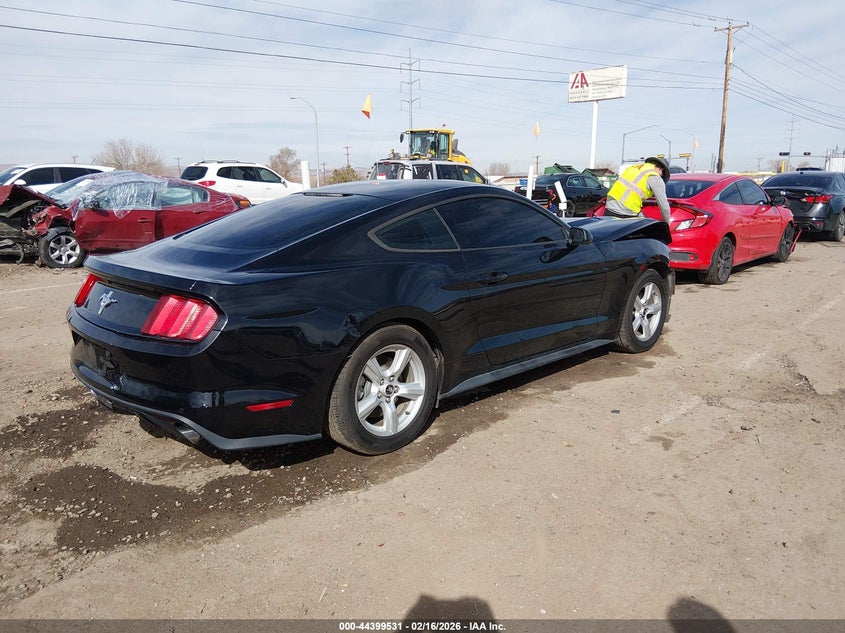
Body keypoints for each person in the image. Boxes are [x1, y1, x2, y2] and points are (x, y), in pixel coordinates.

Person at [605, 156, 671, 222]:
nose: (661, 176)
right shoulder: (654, 176)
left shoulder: (635, 167)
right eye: (662, 175)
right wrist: (666, 224)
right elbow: (664, 206)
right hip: (625, 211)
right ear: (661, 169)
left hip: (610, 204)